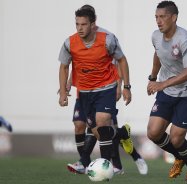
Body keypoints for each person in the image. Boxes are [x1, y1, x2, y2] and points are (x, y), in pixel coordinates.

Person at [58, 4, 131, 172]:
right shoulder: (70, 43)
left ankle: (105, 166)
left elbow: (122, 60)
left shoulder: (107, 39)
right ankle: (120, 135)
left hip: (105, 88)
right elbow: (64, 67)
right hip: (84, 92)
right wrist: (63, 91)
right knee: (92, 129)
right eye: (77, 24)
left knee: (102, 121)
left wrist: (125, 86)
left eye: (83, 24)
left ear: (93, 24)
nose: (80, 28)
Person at [146, 1, 187, 182]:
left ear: (174, 17)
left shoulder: (184, 38)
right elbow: (157, 54)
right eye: (156, 17)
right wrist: (153, 78)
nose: (158, 21)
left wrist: (162, 85)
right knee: (153, 133)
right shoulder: (156, 36)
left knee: (176, 138)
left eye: (162, 16)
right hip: (167, 90)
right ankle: (179, 157)